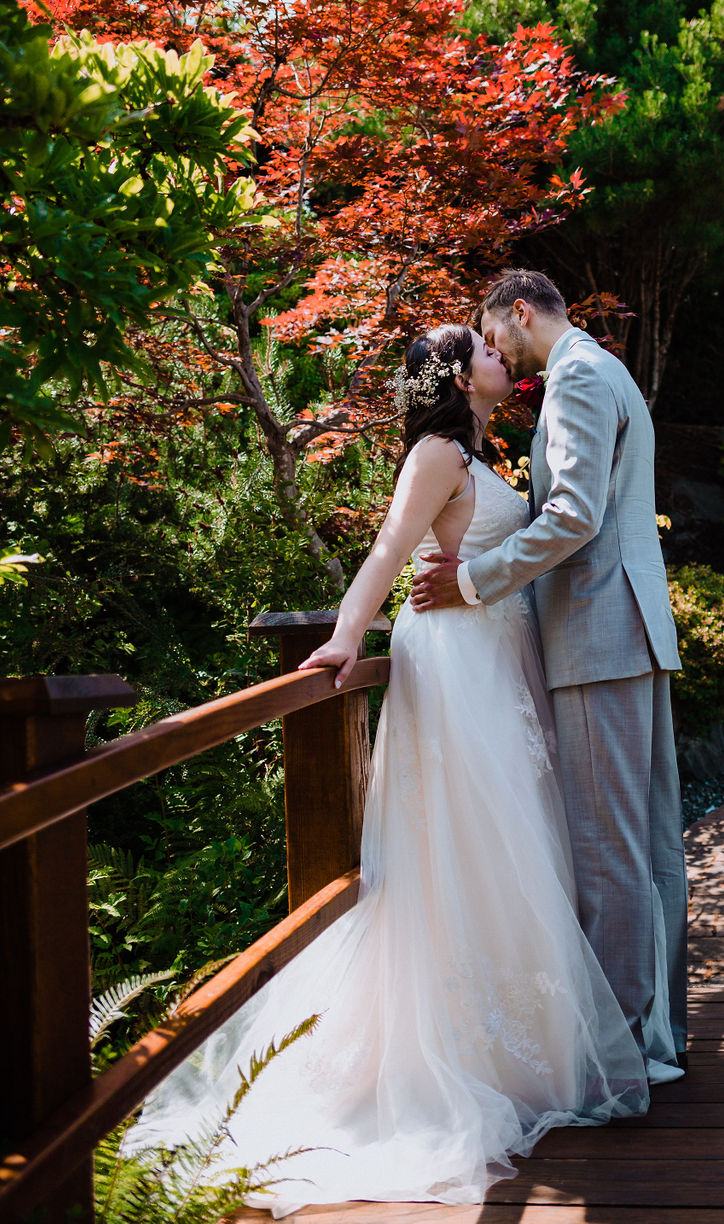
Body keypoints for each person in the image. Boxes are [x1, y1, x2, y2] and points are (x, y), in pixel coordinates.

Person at [125, 323, 649, 1216]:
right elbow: (388, 548)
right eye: (484, 349)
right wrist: (341, 638)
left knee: (512, 841)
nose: (499, 357)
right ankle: (461, 1050)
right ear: (456, 374)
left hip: (495, 661)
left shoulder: (479, 453)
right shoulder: (437, 453)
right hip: (451, 666)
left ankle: (521, 1047)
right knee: (467, 843)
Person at [411, 270, 688, 1080]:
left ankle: (624, 1047)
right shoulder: (606, 371)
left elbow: (573, 514)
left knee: (608, 850)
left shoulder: (575, 378)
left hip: (601, 634)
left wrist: (470, 580)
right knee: (644, 847)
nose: (494, 352)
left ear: (521, 313)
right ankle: (657, 1035)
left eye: (494, 336)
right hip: (627, 631)